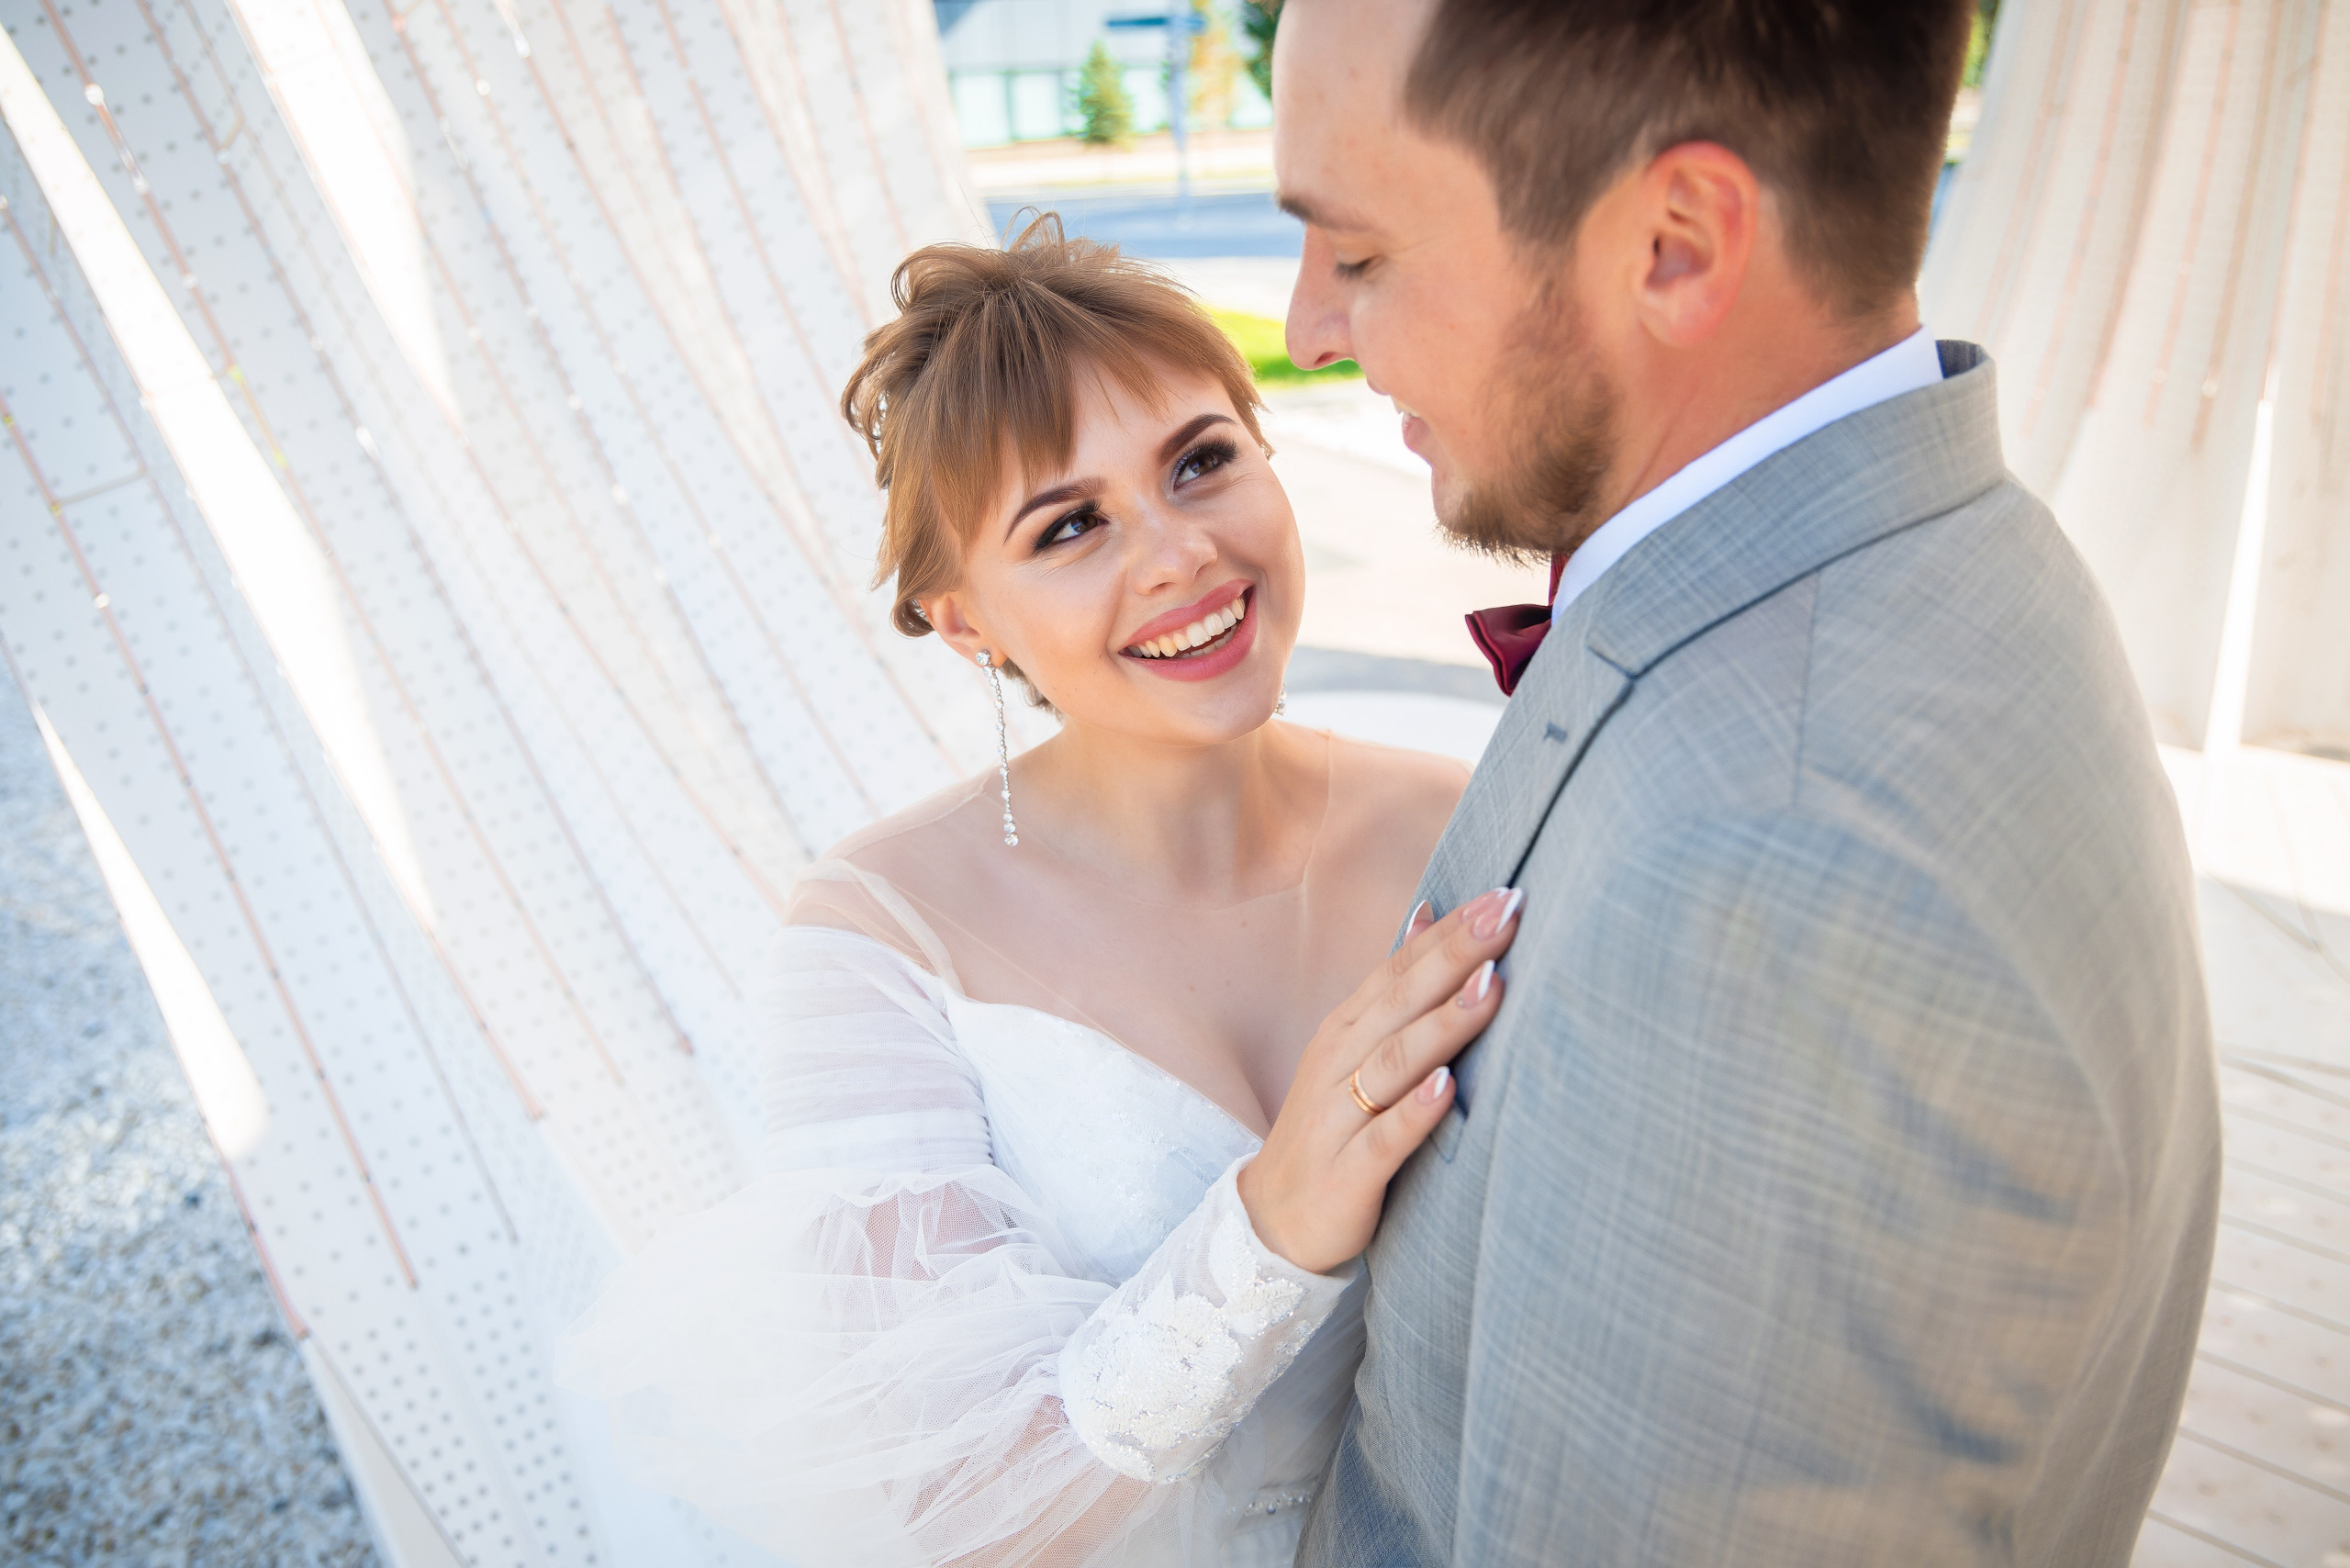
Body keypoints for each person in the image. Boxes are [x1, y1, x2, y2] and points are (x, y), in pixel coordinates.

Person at [1270, 2, 2222, 1564]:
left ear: (1678, 244)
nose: (1308, 326)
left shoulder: (1767, 871)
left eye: (1360, 252)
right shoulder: (1962, 545)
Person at [557, 216, 1516, 1566]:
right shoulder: (883, 936)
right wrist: (1271, 1230)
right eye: (1071, 527)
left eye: (1202, 462)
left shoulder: (1462, 816)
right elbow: (955, 1510)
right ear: (967, 623)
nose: (1179, 554)